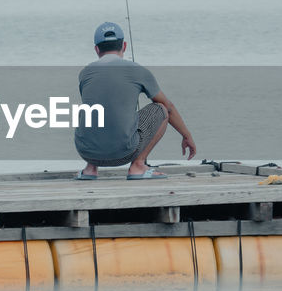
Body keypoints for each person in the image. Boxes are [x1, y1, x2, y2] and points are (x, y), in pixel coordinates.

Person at [74, 21, 196, 180]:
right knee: (161, 109)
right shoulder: (137, 70)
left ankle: (90, 169)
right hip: (124, 153)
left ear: (97, 49)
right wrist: (186, 135)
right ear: (124, 46)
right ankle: (138, 165)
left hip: (87, 153)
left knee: (90, 109)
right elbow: (169, 107)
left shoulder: (85, 73)